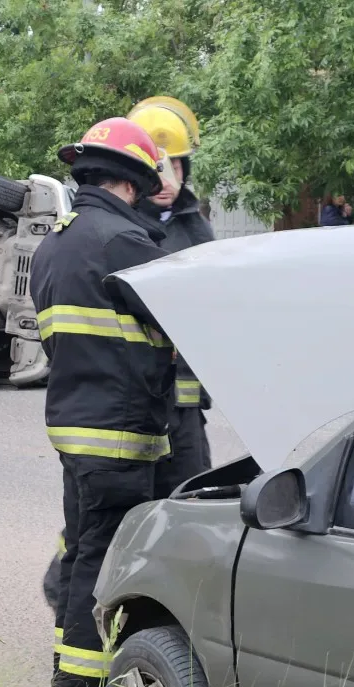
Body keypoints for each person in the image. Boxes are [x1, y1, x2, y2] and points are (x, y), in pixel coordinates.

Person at [30, 117, 173, 687]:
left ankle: (69, 675)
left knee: (82, 546)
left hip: (73, 430)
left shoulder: (52, 246)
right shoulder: (125, 244)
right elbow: (178, 328)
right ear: (135, 181)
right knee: (104, 560)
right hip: (120, 433)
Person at [127, 96, 215, 497]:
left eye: (174, 165)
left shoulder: (196, 228)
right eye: (156, 166)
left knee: (192, 498)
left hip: (186, 408)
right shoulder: (121, 227)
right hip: (134, 400)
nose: (165, 177)